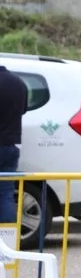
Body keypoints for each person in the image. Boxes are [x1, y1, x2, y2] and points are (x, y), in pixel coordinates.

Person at [0, 65, 28, 224]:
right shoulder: (18, 82)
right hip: (11, 144)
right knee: (5, 193)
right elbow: (23, 110)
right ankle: (7, 240)